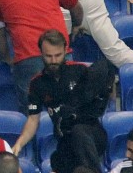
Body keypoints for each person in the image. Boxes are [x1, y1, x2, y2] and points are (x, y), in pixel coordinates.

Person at [10, 30, 114, 173]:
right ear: (41, 53)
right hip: (66, 139)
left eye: (58, 55)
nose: (53, 61)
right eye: (48, 56)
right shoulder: (37, 84)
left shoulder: (80, 70)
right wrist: (19, 143)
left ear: (65, 51)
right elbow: (33, 119)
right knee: (58, 160)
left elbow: (106, 81)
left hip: (91, 133)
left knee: (79, 132)